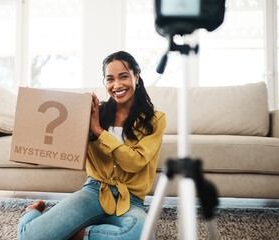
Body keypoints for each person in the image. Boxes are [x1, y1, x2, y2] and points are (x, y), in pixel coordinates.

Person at [17, 51, 167, 240]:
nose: (117, 85)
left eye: (123, 77)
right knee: (29, 237)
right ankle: (32, 211)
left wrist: (99, 132)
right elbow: (60, 143)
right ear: (105, 82)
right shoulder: (92, 112)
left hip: (130, 199)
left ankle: (78, 235)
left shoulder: (155, 120)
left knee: (142, 235)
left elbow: (135, 162)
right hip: (94, 191)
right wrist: (33, 107)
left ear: (136, 77)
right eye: (110, 79)